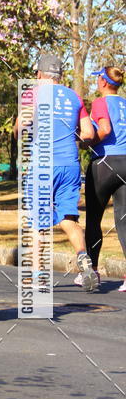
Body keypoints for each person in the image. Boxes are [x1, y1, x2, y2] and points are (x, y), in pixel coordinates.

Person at [13, 53, 97, 292]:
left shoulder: (33, 93)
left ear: (39, 74)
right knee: (68, 218)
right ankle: (83, 257)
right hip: (70, 164)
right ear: (60, 75)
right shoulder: (74, 96)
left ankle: (37, 277)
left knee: (37, 223)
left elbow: (22, 125)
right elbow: (88, 134)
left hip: (42, 165)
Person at [77, 66, 126, 291]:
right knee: (124, 221)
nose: (96, 80)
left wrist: (87, 143)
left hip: (105, 162)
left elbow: (104, 129)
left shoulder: (100, 102)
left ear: (104, 82)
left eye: (98, 77)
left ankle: (93, 272)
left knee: (94, 220)